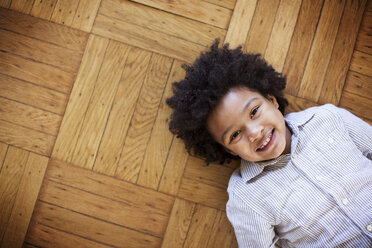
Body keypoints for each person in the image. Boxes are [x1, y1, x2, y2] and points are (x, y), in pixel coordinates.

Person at [166, 39, 372, 247]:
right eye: (235, 135)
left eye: (254, 111)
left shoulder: (327, 118)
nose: (254, 133)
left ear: (272, 100)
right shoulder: (247, 197)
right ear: (227, 149)